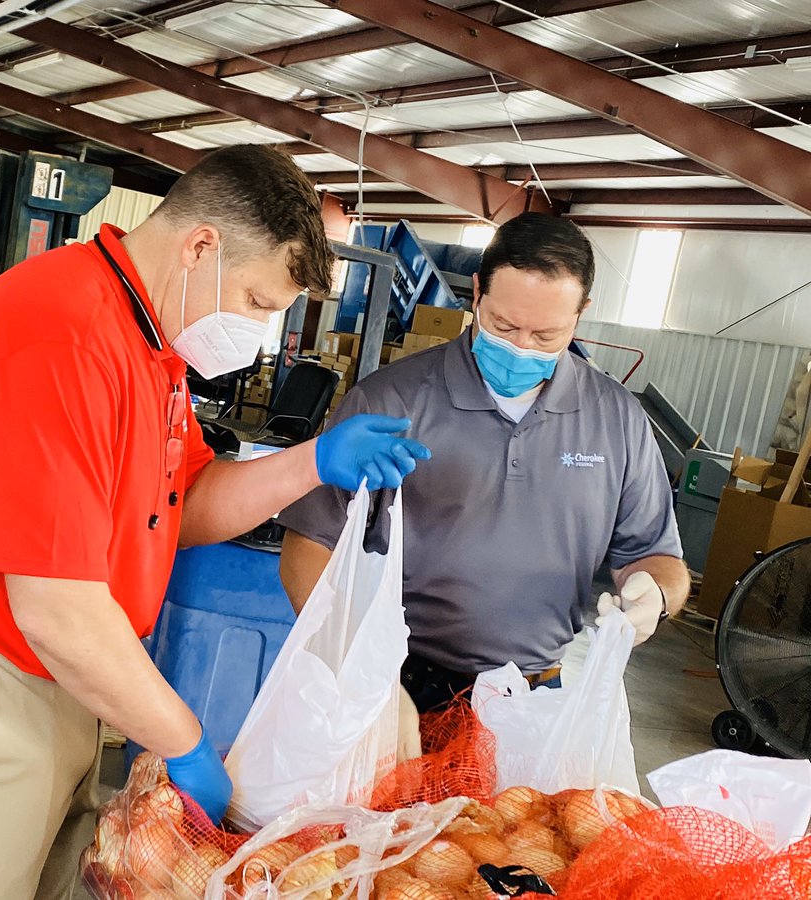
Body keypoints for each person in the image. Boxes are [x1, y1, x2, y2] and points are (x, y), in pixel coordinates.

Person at [0, 144, 431, 900]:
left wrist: (312, 464)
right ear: (200, 247)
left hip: (55, 682)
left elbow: (173, 512)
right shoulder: (64, 335)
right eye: (256, 303)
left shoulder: (147, 345)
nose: (255, 333)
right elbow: (56, 608)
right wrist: (182, 741)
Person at [278, 212, 690, 715]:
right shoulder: (392, 400)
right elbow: (309, 543)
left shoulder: (617, 419)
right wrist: (356, 670)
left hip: (536, 692)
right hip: (401, 678)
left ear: (581, 313)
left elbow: (654, 554)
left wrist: (655, 596)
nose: (520, 347)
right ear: (476, 293)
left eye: (546, 336)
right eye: (503, 325)